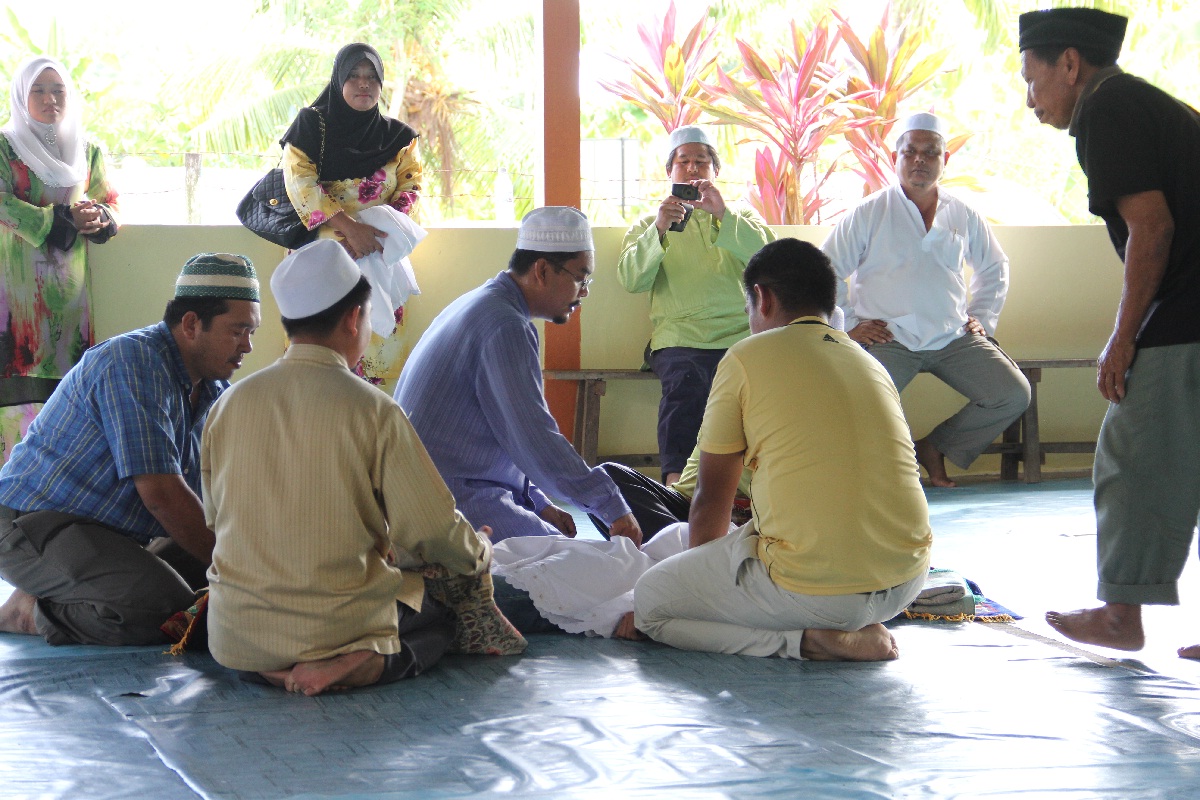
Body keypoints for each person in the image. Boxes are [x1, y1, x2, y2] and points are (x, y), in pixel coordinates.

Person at [203, 240, 492, 696]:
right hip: (334, 627)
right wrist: (479, 553)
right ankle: (355, 662)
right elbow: (431, 529)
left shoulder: (228, 404)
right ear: (355, 318)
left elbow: (215, 517)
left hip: (236, 635)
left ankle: (271, 670)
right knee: (440, 615)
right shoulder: (372, 409)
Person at [633, 238, 932, 661]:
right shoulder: (870, 363)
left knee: (650, 603)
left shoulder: (746, 356)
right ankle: (844, 621)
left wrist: (701, 581)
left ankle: (806, 642)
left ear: (762, 297)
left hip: (816, 590)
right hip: (905, 581)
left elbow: (712, 495)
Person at [1017, 9, 1200, 659]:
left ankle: (1122, 613)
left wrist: (1123, 338)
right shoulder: (1152, 105)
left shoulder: (1106, 110)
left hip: (1187, 312)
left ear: (1070, 64)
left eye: (1031, 77)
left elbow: (1151, 229)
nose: (1029, 98)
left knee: (1132, 453)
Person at [0, 254, 260, 645]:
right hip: (32, 524)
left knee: (231, 549)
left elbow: (221, 492)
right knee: (164, 610)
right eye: (238, 331)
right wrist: (249, 576)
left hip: (111, 535)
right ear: (191, 324)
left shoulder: (210, 390)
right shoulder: (131, 361)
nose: (249, 346)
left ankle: (81, 584)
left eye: (251, 332)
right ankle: (29, 611)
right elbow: (162, 495)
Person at [395, 207, 642, 546]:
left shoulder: (481, 303)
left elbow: (505, 434)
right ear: (541, 270)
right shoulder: (505, 325)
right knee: (592, 574)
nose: (584, 292)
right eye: (580, 278)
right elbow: (535, 439)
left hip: (429, 497)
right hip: (452, 505)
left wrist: (538, 502)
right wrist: (612, 507)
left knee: (578, 562)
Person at [821, 112, 1030, 488]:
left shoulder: (962, 213)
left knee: (1012, 394)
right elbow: (826, 269)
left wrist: (981, 317)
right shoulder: (870, 212)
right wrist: (850, 324)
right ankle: (886, 482)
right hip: (889, 337)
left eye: (930, 152)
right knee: (859, 407)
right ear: (895, 158)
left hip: (953, 336)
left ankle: (936, 446)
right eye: (910, 152)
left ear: (944, 160)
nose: (920, 160)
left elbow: (995, 267)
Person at [618, 125, 775, 485]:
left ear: (715, 171)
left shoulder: (742, 217)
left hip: (740, 336)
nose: (692, 169)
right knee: (685, 387)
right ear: (669, 172)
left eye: (701, 162)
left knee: (757, 394)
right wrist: (659, 229)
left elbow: (770, 261)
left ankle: (753, 484)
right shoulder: (647, 223)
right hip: (679, 337)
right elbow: (630, 279)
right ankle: (675, 483)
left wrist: (724, 216)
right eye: (683, 161)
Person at [279, 42, 422, 390]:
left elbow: (411, 187)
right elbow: (301, 185)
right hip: (321, 256)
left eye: (372, 77)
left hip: (377, 252)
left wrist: (377, 233)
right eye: (354, 76)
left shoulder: (399, 137)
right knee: (318, 360)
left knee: (375, 364)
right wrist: (350, 230)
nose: (364, 85)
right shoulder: (310, 126)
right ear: (338, 79)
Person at [0, 56, 119, 461]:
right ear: (21, 95)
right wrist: (61, 218)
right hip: (15, 301)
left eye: (58, 90)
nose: (50, 99)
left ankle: (56, 496)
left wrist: (96, 217)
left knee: (70, 396)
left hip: (69, 300)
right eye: (38, 90)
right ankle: (14, 497)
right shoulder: (4, 146)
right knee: (17, 397)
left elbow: (111, 202)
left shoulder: (87, 150)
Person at [591, 448, 752, 540]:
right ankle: (680, 557)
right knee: (601, 484)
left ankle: (680, 561)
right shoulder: (730, 408)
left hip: (749, 531)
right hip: (686, 512)